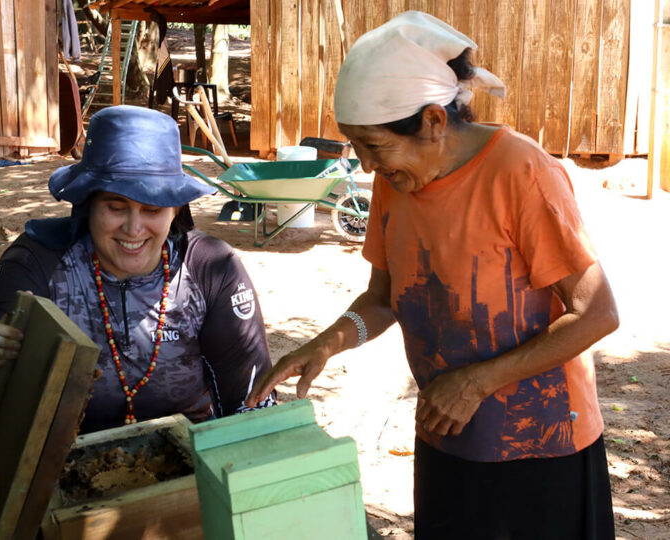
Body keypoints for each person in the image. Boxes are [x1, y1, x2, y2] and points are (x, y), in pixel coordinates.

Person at [246, 11, 618, 540]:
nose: (368, 166)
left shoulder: (522, 171)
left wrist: (476, 382)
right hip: (448, 433)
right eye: (358, 146)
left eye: (375, 146)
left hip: (541, 447)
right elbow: (384, 298)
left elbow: (598, 313)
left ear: (434, 122)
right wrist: (326, 344)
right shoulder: (396, 181)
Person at [0, 105, 275, 436]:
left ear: (176, 209)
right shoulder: (36, 264)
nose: (134, 229)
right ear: (88, 202)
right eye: (116, 207)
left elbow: (252, 403)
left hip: (191, 468)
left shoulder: (210, 269)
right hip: (63, 469)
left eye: (152, 209)